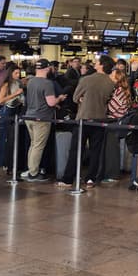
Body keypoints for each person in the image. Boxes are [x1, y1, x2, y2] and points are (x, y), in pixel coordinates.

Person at [59, 56, 116, 188]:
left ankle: (68, 179)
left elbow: (75, 98)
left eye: (97, 62)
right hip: (100, 118)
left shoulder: (86, 79)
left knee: (76, 150)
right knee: (95, 150)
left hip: (84, 118)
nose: (95, 63)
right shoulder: (110, 83)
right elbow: (108, 100)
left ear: (101, 65)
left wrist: (82, 100)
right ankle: (91, 178)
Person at [22, 59, 66, 182]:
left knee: (33, 144)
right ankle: (34, 173)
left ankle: (30, 169)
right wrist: (60, 98)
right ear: (47, 68)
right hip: (42, 118)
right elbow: (51, 102)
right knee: (38, 146)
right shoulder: (47, 83)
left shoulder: (30, 82)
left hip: (29, 116)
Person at [0, 65, 24, 170]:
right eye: (16, 73)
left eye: (19, 73)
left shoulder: (18, 83)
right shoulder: (6, 85)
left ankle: (10, 161)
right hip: (7, 110)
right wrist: (15, 94)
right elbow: (1, 100)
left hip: (16, 109)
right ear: (11, 74)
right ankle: (2, 161)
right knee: (5, 137)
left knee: (13, 137)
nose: (18, 75)